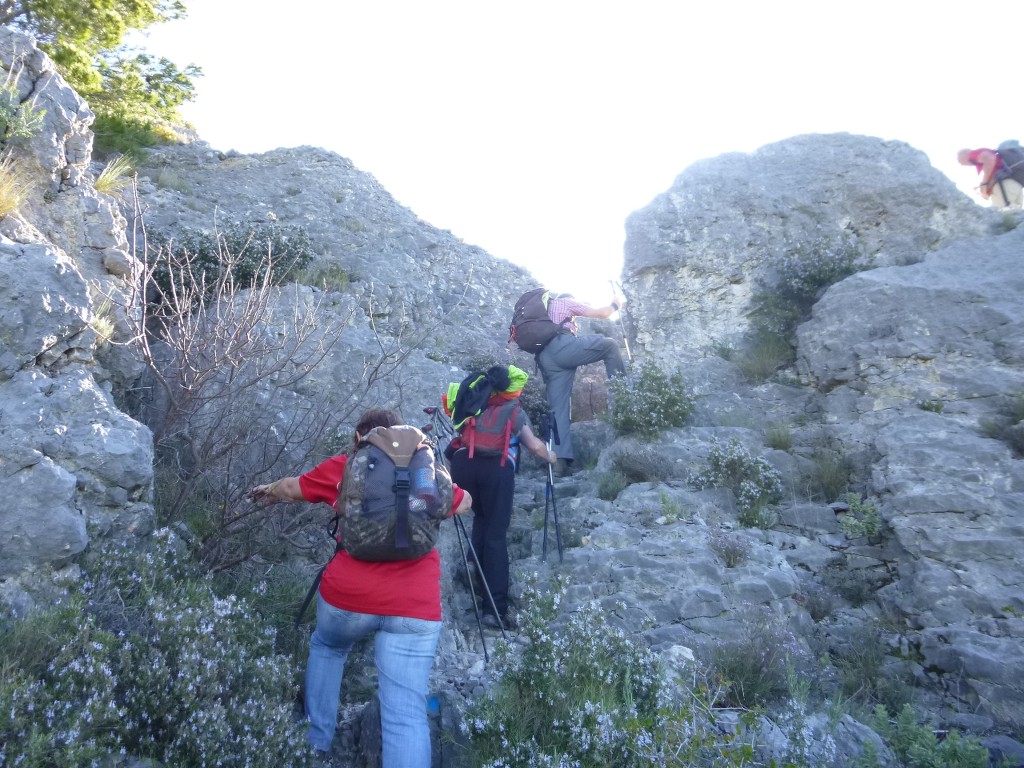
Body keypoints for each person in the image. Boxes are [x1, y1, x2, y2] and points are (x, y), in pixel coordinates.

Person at [251, 407, 471, 767]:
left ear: (361, 439)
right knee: (405, 714)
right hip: (414, 607)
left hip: (347, 598)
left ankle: (316, 743)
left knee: (328, 646)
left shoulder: (347, 464)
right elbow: (463, 503)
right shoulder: (425, 472)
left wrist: (271, 490)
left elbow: (293, 488)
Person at [445, 366, 556, 627]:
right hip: (494, 469)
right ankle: (493, 609)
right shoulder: (514, 411)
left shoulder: (473, 402)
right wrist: (551, 457)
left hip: (463, 466)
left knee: (482, 517)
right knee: (496, 533)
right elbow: (534, 445)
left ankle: (473, 564)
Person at [536, 290, 627, 474]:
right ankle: (624, 396)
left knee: (558, 408)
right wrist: (616, 304)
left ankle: (558, 462)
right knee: (609, 346)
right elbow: (603, 313)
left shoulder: (545, 313)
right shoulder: (565, 303)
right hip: (562, 347)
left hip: (545, 357)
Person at [957, 147, 1024, 209]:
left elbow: (989, 158)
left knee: (1000, 216)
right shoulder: (980, 160)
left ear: (965, 154)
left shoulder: (974, 154)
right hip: (1015, 186)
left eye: (960, 160)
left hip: (1003, 187)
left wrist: (984, 184)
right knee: (1015, 217)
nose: (961, 164)